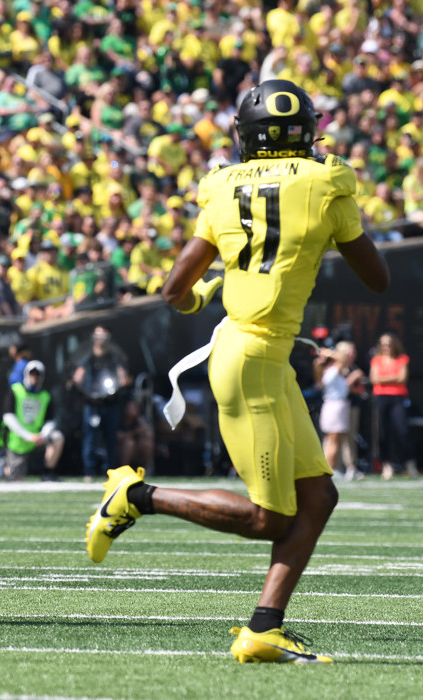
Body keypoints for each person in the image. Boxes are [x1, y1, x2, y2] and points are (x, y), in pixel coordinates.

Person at [86, 80, 390, 664]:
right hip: (255, 360)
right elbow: (375, 277)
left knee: (319, 497)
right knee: (268, 517)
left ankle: (263, 628)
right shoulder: (327, 182)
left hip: (251, 355)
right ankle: (137, 496)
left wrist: (207, 296)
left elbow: (174, 289)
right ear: (303, 130)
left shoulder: (222, 184)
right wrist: (322, 226)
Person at [68, 325, 130, 482]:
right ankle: (89, 471)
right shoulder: (87, 357)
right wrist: (76, 381)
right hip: (92, 403)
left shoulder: (114, 357)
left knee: (111, 439)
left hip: (110, 403)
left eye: (103, 337)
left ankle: (110, 472)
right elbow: (78, 376)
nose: (100, 340)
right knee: (90, 439)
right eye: (98, 336)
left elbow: (122, 376)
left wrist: (123, 381)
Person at [1, 360, 64, 481]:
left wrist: (42, 435)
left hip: (38, 439)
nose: (34, 377)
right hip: (19, 440)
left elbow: (50, 420)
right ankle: (6, 464)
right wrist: (28, 436)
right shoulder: (15, 391)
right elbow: (8, 417)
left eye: (37, 374)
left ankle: (48, 472)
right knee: (15, 479)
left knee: (57, 437)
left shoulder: (45, 395)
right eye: (32, 374)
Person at [313, 341, 365, 481]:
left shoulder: (328, 370)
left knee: (336, 439)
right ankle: (330, 469)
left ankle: (331, 468)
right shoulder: (332, 370)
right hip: (335, 406)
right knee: (333, 439)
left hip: (336, 406)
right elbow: (342, 359)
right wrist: (327, 352)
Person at [369, 332, 418, 479]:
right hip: (381, 398)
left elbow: (402, 378)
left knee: (402, 431)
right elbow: (374, 379)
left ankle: (410, 464)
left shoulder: (402, 359)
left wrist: (383, 379)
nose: (386, 347)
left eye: (389, 344)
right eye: (383, 344)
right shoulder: (376, 360)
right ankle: (386, 465)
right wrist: (392, 378)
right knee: (382, 433)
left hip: (398, 397)